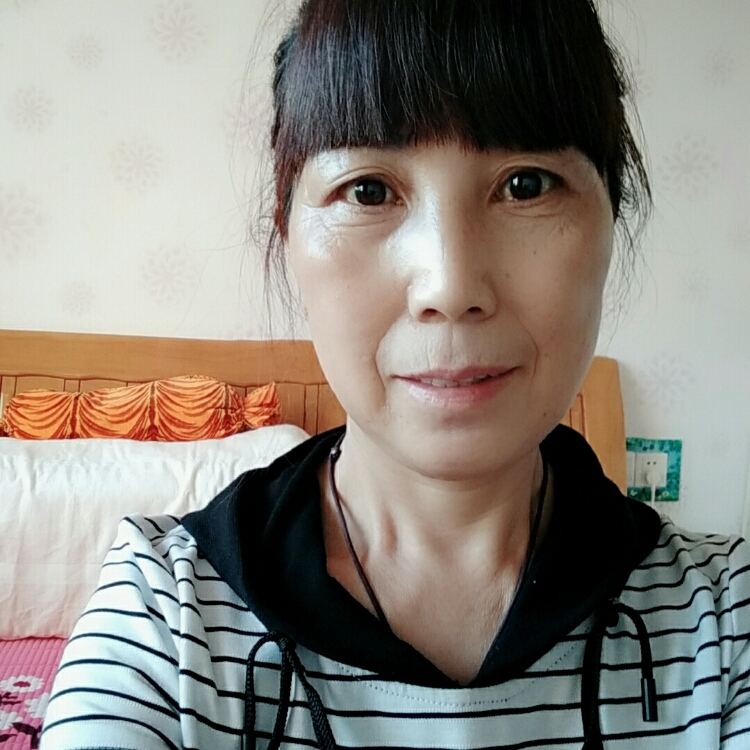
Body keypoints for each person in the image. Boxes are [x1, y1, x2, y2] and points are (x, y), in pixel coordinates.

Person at [41, 1, 750, 748]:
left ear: (614, 214)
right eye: (369, 191)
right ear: (287, 234)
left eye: (526, 185)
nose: (450, 284)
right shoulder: (164, 616)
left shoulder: (726, 619)